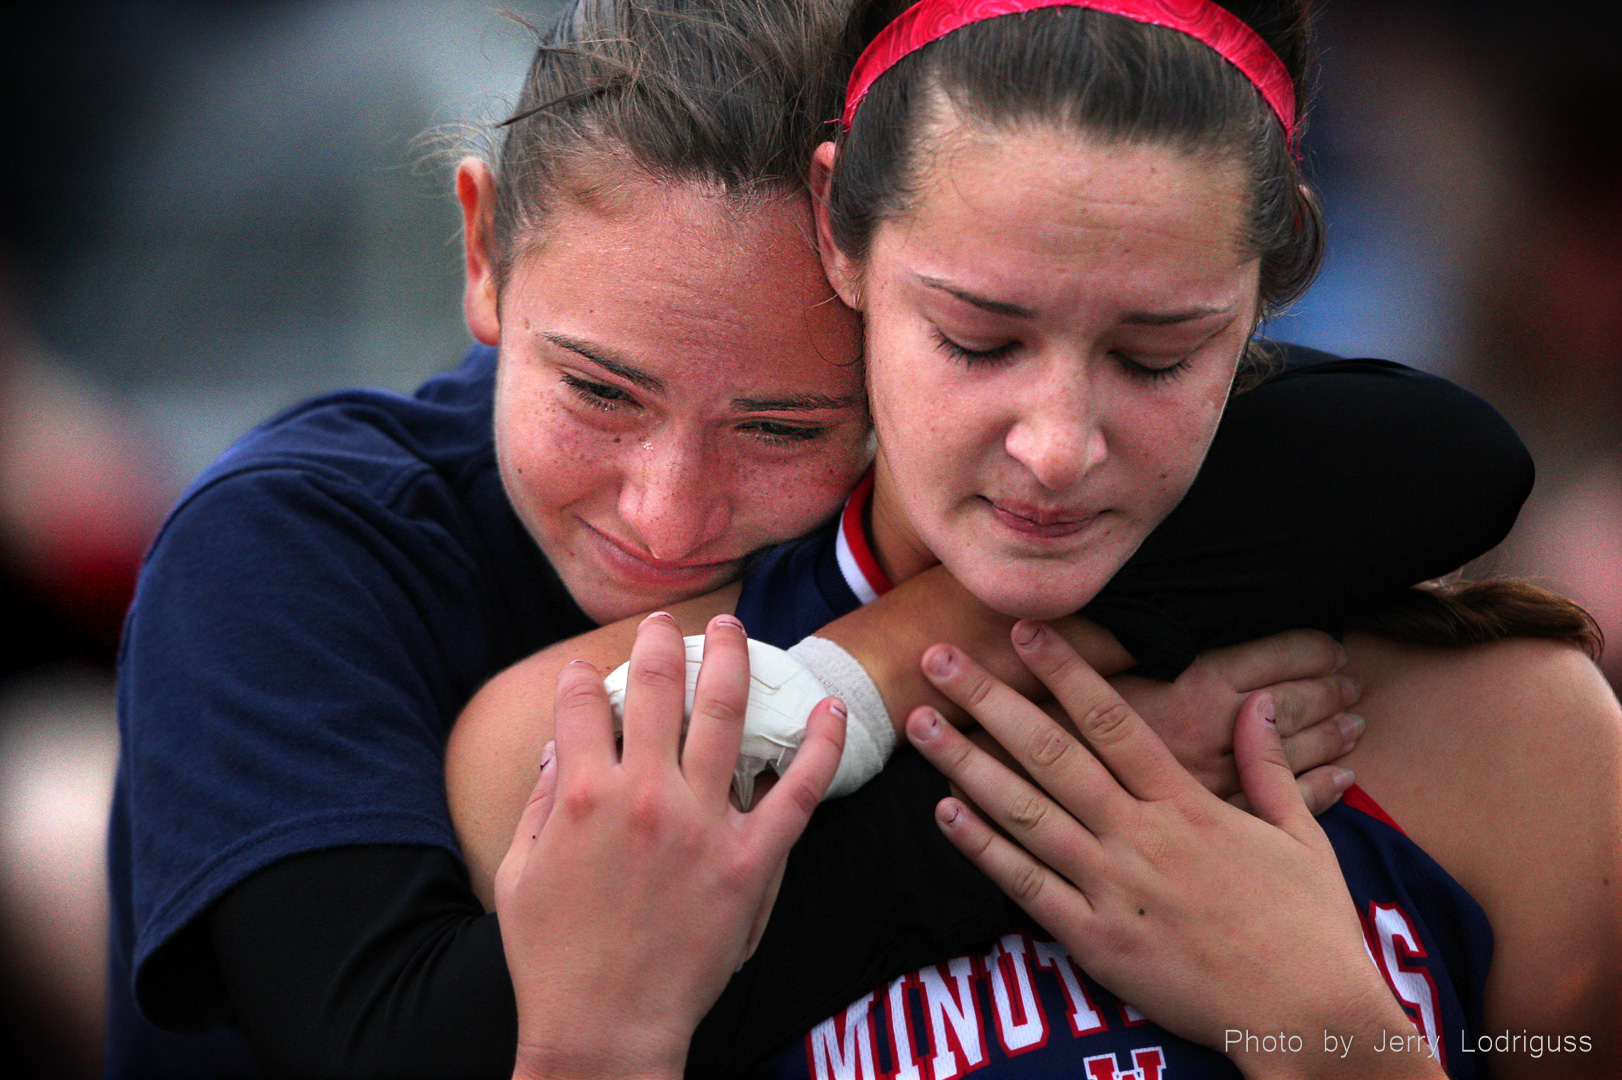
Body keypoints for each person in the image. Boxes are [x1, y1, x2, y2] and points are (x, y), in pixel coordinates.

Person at [108, 2, 1533, 1078]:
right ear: (480, 252)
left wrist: (868, 677)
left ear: (877, 313)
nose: (666, 512)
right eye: (597, 390)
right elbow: (399, 1051)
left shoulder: (1013, 429)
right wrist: (1086, 771)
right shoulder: (292, 545)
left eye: (786, 427)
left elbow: (1431, 456)